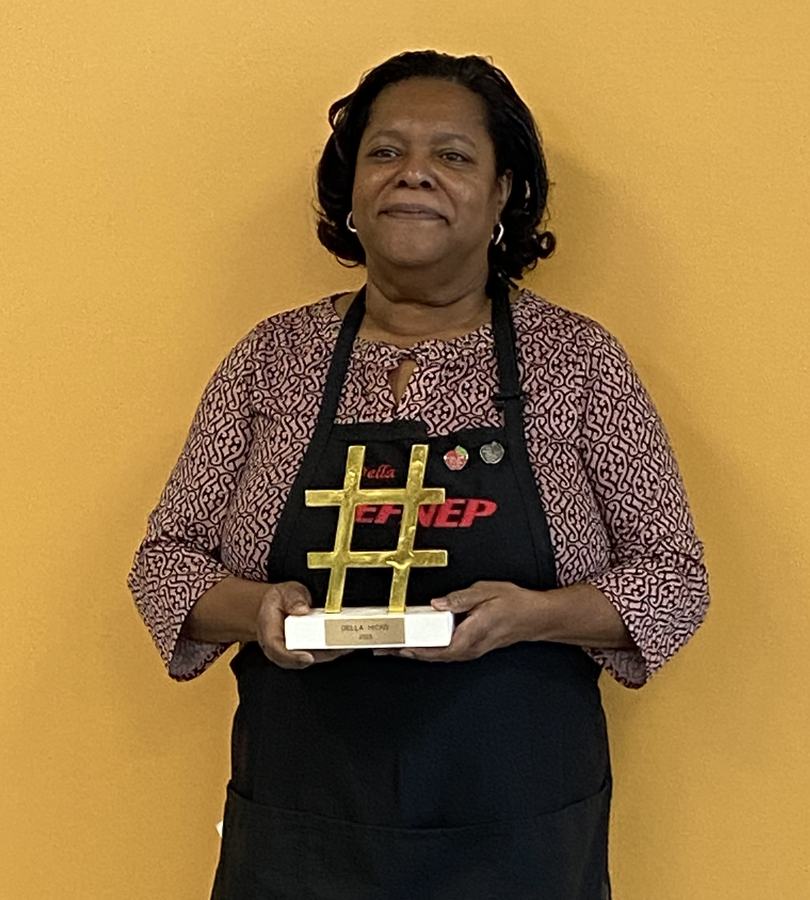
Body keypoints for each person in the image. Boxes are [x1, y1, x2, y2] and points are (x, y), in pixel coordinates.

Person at [128, 50, 709, 900]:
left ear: (505, 192)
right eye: (385, 152)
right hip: (303, 832)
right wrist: (257, 609)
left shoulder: (577, 362)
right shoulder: (271, 361)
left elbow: (675, 579)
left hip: (521, 835)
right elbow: (165, 562)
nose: (414, 176)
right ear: (351, 191)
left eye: (453, 155)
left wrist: (534, 617)